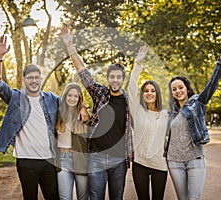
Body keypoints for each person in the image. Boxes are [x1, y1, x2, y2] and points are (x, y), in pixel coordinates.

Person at [0, 35, 88, 200]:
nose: (34, 81)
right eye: (30, 78)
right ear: (24, 80)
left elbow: (70, 102)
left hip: (49, 159)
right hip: (26, 161)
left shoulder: (51, 99)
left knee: (53, 197)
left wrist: (83, 106)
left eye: (37, 77)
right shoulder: (15, 98)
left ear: (41, 79)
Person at [61, 27, 133, 200]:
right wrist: (70, 46)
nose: (115, 80)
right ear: (108, 79)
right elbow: (83, 72)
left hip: (118, 159)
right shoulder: (100, 93)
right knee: (95, 197)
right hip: (96, 157)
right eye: (112, 77)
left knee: (117, 197)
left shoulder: (130, 101)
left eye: (119, 77)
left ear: (123, 80)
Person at [164, 44, 221, 200]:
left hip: (195, 159)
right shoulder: (171, 112)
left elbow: (211, 85)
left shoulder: (197, 103)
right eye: (174, 89)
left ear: (187, 88)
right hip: (174, 161)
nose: (178, 91)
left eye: (180, 87)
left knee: (195, 198)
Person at [128, 46, 169, 200]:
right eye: (146, 91)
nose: (149, 93)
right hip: (140, 164)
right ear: (143, 94)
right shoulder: (137, 111)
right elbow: (131, 88)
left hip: (160, 165)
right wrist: (137, 64)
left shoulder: (166, 115)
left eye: (152, 90)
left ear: (157, 94)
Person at [56, 82, 89, 200]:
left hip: (80, 160)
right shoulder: (57, 113)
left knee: (83, 197)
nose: (72, 98)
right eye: (70, 95)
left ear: (79, 98)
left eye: (76, 96)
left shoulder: (84, 116)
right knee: (64, 198)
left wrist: (83, 107)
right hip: (62, 159)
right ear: (65, 96)